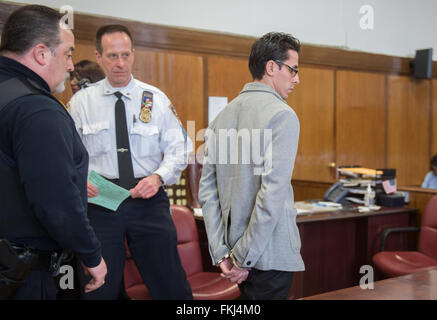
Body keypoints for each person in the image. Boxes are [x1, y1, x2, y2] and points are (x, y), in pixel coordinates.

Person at [68, 24, 193, 300]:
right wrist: (79, 178)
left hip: (148, 199)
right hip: (100, 202)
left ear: (134, 54)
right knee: (100, 287)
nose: (120, 63)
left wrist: (158, 177)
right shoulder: (81, 103)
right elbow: (67, 155)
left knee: (170, 283)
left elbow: (180, 147)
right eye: (112, 56)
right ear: (99, 57)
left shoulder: (155, 99)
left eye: (125, 55)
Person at [0, 5, 107, 300]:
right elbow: (55, 201)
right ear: (42, 54)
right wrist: (92, 256)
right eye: (68, 53)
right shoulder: (37, 108)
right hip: (25, 274)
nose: (72, 65)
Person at [198, 32, 305, 300]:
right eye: (293, 70)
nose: (296, 79)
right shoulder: (283, 115)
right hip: (268, 255)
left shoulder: (221, 118)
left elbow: (207, 193)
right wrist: (242, 259)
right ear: (272, 67)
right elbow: (271, 195)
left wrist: (223, 253)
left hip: (234, 253)